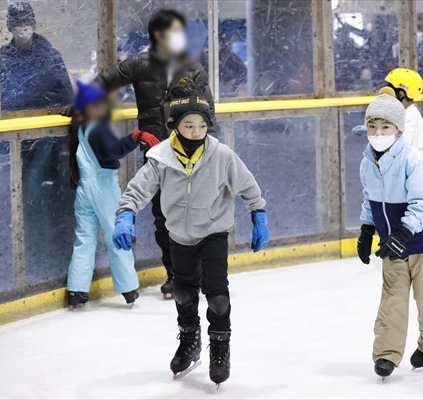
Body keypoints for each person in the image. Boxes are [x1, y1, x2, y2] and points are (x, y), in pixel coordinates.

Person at [111, 78, 270, 385]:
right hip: (179, 236)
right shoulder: (160, 158)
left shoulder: (221, 155)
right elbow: (138, 189)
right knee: (184, 293)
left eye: (201, 126)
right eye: (188, 126)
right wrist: (126, 215)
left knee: (217, 294)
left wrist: (258, 215)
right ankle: (189, 341)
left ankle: (220, 348)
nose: (196, 132)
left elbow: (248, 185)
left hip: (213, 231)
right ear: (174, 126)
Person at [92, 9, 217, 298]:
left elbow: (209, 115)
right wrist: (79, 104)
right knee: (164, 219)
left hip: (192, 153)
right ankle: (176, 275)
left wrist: (210, 154)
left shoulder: (193, 69)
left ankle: (197, 272)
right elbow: (102, 82)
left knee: (197, 215)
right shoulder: (138, 65)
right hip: (159, 155)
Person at [356, 94, 423, 380]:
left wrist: (404, 231)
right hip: (392, 244)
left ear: (399, 130)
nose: (377, 133)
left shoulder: (416, 161)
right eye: (372, 126)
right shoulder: (367, 163)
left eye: (385, 127)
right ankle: (387, 353)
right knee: (392, 299)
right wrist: (366, 229)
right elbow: (368, 199)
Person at [66, 81, 160, 308]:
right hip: (103, 185)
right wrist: (135, 137)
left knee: (85, 238)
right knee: (116, 233)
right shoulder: (96, 126)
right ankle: (128, 287)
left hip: (84, 187)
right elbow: (113, 150)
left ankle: (76, 290)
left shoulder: (79, 126)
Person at [0, 2, 73, 112]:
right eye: (18, 22)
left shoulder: (50, 56)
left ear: (33, 25)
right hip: (11, 120)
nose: (23, 27)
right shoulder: (3, 57)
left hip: (45, 119)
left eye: (27, 22)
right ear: (10, 27)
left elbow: (68, 97)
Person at [383, 68, 423, 159]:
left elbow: (401, 146)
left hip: (419, 168)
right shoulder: (404, 113)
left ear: (401, 94)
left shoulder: (409, 116)